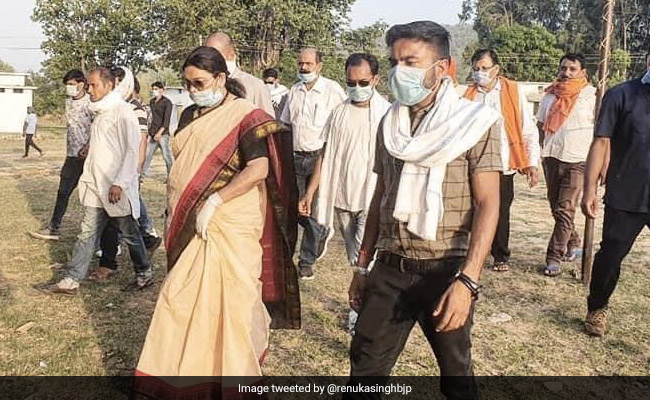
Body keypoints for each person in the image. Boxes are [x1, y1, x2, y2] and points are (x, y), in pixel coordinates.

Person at [344, 21, 501, 400]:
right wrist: (362, 267)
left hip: (446, 271)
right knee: (364, 373)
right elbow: (380, 195)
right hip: (390, 267)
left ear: (442, 67)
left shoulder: (474, 124)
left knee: (456, 377)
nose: (399, 71)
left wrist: (468, 281)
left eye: (410, 62)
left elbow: (488, 204)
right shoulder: (390, 123)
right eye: (394, 61)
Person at [133, 47, 299, 396]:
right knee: (179, 299)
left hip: (228, 222)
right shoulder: (188, 114)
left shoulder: (244, 115)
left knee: (230, 307)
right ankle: (179, 375)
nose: (193, 90)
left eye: (200, 83)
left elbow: (259, 169)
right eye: (188, 84)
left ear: (221, 78)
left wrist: (216, 200)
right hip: (191, 219)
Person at [44, 67, 153, 295]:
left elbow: (132, 151)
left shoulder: (123, 112)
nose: (90, 90)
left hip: (115, 188)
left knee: (130, 234)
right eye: (89, 85)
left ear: (109, 85)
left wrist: (120, 183)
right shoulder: (100, 112)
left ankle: (144, 274)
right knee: (86, 233)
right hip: (97, 185)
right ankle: (72, 279)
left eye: (94, 85)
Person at [299, 52, 390, 282]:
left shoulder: (387, 114)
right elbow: (325, 154)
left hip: (372, 198)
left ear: (376, 80)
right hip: (342, 199)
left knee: (363, 258)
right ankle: (360, 297)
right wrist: (310, 193)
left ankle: (362, 299)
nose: (357, 88)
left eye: (363, 83)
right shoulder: (338, 113)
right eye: (351, 83)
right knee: (354, 258)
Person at [581, 52, 650, 336]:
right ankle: (597, 308)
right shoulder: (621, 95)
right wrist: (589, 189)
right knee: (610, 256)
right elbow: (600, 142)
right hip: (627, 193)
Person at [464, 49, 540, 272]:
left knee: (500, 210)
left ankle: (500, 255)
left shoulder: (512, 91)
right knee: (473, 208)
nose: (479, 73)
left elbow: (527, 127)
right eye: (476, 69)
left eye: (484, 68)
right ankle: (473, 253)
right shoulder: (467, 95)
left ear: (496, 69)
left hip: (504, 161)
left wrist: (531, 162)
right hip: (476, 161)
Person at [90, 67, 163, 282]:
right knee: (116, 223)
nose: (116, 86)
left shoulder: (132, 109)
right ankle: (113, 261)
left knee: (126, 225)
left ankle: (141, 269)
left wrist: (132, 175)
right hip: (107, 176)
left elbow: (138, 144)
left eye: (119, 82)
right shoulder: (107, 107)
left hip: (124, 176)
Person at [280, 46, 347, 280]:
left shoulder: (332, 90)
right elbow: (286, 123)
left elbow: (342, 121)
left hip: (320, 158)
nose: (304, 67)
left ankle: (306, 261)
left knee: (313, 210)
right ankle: (321, 232)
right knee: (296, 209)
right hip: (296, 157)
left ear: (319, 66)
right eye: (301, 63)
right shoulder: (294, 91)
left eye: (308, 63)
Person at [536, 53, 596, 277]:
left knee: (565, 208)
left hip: (578, 160)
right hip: (552, 157)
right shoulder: (550, 95)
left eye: (572, 69)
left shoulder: (592, 96)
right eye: (563, 68)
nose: (567, 73)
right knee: (557, 208)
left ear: (583, 72)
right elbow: (541, 125)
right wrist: (541, 152)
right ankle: (573, 241)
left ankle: (554, 257)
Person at [29, 69, 92, 241]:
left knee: (94, 196)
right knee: (63, 192)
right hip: (72, 156)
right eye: (67, 85)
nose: (68, 88)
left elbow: (98, 126)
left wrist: (89, 146)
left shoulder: (91, 102)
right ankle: (53, 227)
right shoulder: (68, 102)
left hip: (89, 156)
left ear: (81, 84)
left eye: (71, 84)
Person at [205, 32, 275, 116]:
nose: (209, 60)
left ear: (231, 55)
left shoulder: (255, 86)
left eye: (215, 56)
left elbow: (268, 121)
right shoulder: (202, 85)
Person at [141, 81, 174, 177]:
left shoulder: (167, 103)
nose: (154, 91)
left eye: (156, 89)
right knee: (147, 155)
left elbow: (166, 120)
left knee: (166, 156)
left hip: (162, 134)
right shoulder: (152, 102)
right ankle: (141, 175)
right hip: (152, 133)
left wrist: (159, 133)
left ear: (161, 90)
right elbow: (150, 117)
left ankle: (171, 176)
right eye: (153, 89)